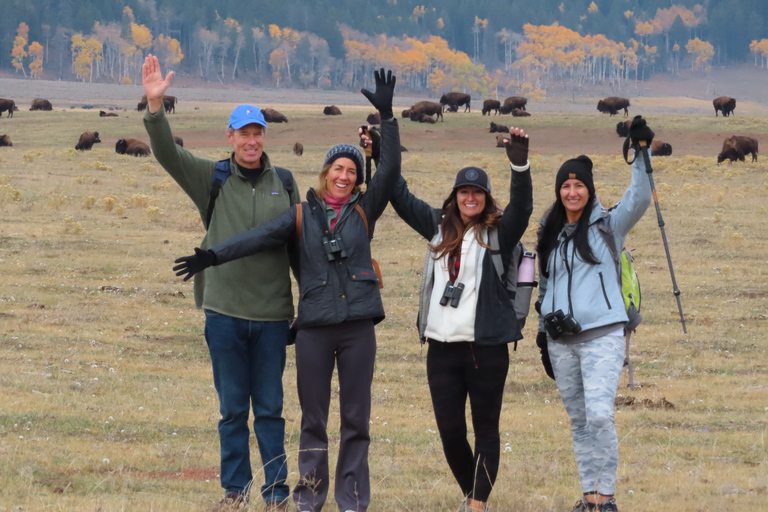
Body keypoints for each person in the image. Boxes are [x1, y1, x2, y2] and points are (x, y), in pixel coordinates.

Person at [172, 69, 400, 512]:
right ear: (326, 172)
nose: (344, 176)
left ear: (357, 179)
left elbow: (389, 172)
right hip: (314, 326)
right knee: (312, 419)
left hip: (357, 326)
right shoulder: (301, 213)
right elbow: (257, 237)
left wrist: (388, 117)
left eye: (352, 171)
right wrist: (212, 256)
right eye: (338, 168)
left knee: (355, 419)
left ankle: (352, 500)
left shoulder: (365, 211)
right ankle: (308, 498)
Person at [141, 54, 301, 511]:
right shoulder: (210, 178)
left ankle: (275, 494)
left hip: (272, 316)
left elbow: (297, 249)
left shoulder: (284, 183)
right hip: (225, 313)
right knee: (233, 410)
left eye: (257, 133)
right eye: (243, 134)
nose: (251, 141)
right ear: (229, 137)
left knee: (270, 410)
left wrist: (308, 302)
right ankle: (235, 491)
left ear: (264, 137)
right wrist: (155, 109)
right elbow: (168, 154)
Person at [375, 126, 532, 511]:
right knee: (449, 431)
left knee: (486, 430)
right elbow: (398, 195)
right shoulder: (436, 227)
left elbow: (523, 208)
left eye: (478, 192)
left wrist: (520, 165)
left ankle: (477, 504)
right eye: (464, 191)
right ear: (455, 196)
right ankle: (472, 494)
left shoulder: (499, 235)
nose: (470, 198)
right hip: (441, 349)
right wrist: (384, 148)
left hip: (486, 349)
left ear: (486, 198)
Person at [534, 116, 654, 512]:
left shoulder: (609, 226)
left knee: (600, 415)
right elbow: (547, 286)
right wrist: (541, 332)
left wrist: (640, 151)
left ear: (589, 189)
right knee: (580, 422)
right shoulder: (549, 234)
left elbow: (639, 198)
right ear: (559, 191)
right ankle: (589, 496)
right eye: (566, 185)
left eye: (579, 184)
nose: (572, 191)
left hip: (601, 335)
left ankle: (607, 497)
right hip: (560, 343)